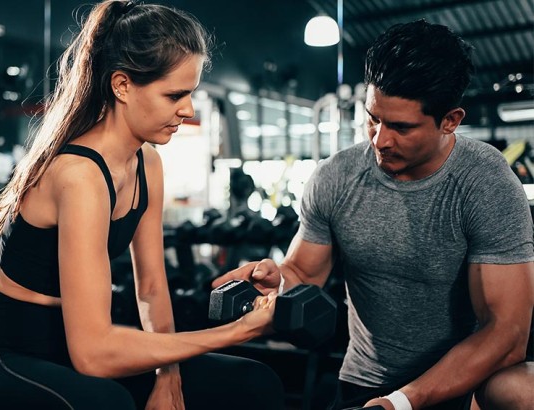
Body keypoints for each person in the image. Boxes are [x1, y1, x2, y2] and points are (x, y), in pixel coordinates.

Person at [0, 1, 284, 409]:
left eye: (191, 93)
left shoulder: (148, 162)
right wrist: (235, 332)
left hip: (72, 348)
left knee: (251, 381)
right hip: (4, 357)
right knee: (107, 403)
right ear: (122, 85)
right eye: (175, 94)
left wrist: (169, 374)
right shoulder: (79, 175)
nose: (189, 109)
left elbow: (150, 287)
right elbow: (92, 354)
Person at [214, 19, 534, 410]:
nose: (380, 140)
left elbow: (507, 331)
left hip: (458, 383)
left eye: (400, 126)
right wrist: (276, 282)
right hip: (364, 383)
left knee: (521, 392)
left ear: (450, 121)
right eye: (373, 118)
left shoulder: (485, 182)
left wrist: (401, 402)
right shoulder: (336, 177)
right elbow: (304, 273)